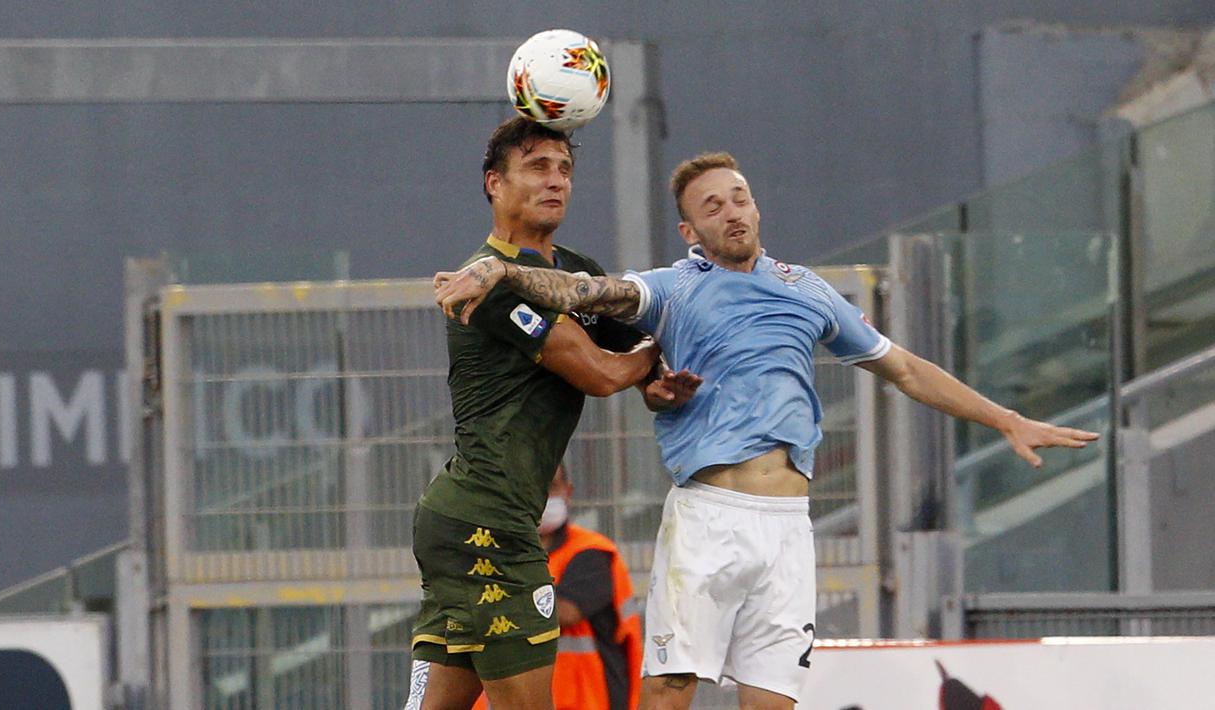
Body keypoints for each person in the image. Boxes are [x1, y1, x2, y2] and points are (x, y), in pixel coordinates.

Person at [432, 151, 1101, 710]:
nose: (732, 212)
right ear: (689, 230)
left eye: (740, 198)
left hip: (788, 529)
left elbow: (904, 368)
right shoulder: (673, 288)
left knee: (772, 700)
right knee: (668, 688)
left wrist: (1005, 418)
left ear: (756, 208)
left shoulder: (806, 290)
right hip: (708, 517)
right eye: (712, 206)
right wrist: (502, 271)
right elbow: (584, 291)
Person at [407, 117, 697, 710]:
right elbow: (601, 373)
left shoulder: (573, 270)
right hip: (488, 522)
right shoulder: (484, 282)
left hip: (467, 520)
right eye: (538, 166)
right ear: (494, 183)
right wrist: (653, 356)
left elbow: (630, 353)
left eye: (564, 169)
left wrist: (655, 380)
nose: (556, 180)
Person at [470, 463, 643, 710]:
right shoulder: (493, 555)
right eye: (529, 488)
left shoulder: (592, 553)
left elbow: (563, 611)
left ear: (567, 491)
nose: (540, 496)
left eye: (549, 487)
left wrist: (493, 600)